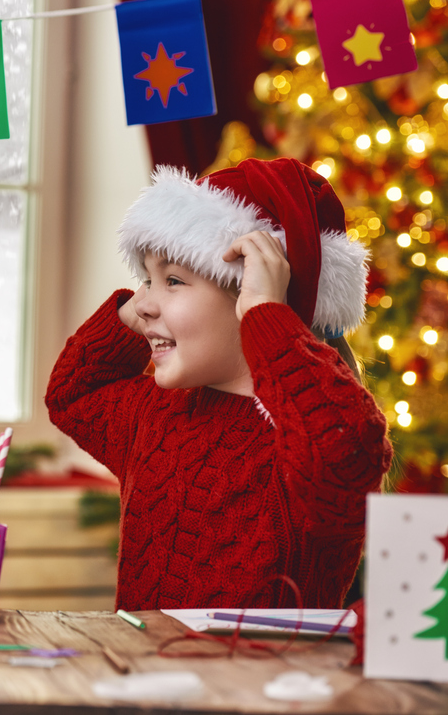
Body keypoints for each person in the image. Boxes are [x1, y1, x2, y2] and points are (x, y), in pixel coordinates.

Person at [47, 157, 391, 611]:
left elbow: (346, 447)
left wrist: (267, 316)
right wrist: (133, 309)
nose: (144, 300)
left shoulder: (305, 443)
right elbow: (73, 393)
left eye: (173, 279)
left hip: (260, 682)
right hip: (141, 679)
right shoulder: (153, 414)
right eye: (144, 279)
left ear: (253, 296)